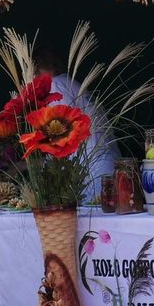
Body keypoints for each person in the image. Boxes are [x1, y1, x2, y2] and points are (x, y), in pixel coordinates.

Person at [33, 45, 120, 203]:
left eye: (35, 70)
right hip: (102, 165)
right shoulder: (71, 83)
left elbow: (59, 138)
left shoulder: (55, 86)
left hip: (90, 173)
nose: (33, 78)